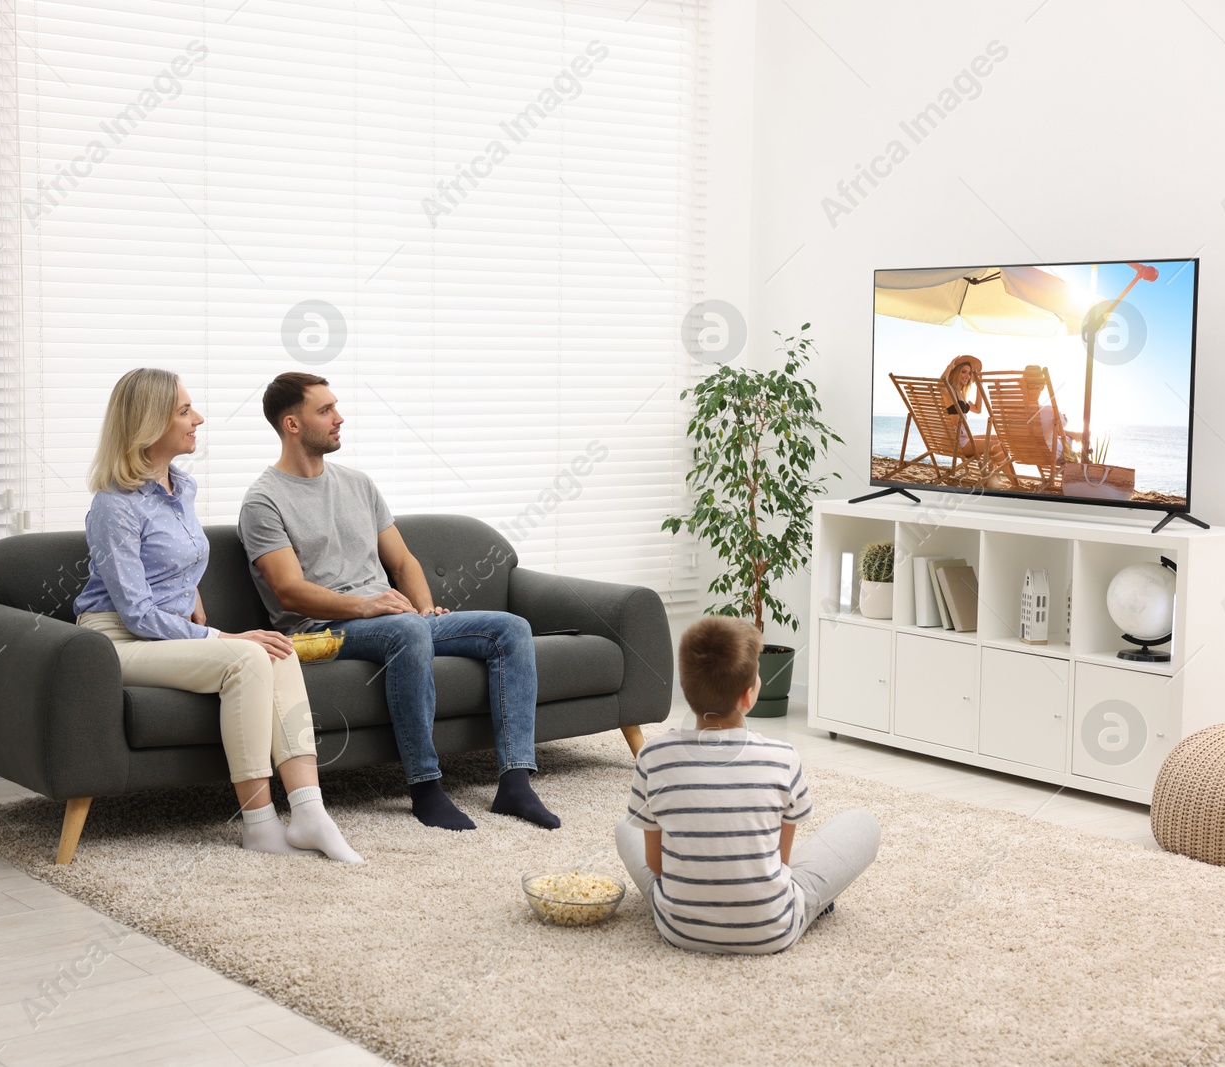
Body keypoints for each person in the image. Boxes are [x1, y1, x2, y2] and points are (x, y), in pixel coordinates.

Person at [238, 371, 558, 833]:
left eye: (335, 407)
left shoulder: (358, 484)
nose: (339, 417)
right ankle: (425, 788)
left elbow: (404, 561)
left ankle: (515, 783)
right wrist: (369, 607)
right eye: (325, 410)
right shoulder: (263, 500)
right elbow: (289, 590)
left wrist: (424, 609)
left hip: (390, 620)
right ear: (292, 424)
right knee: (405, 630)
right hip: (317, 632)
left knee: (510, 628)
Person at [73, 368, 361, 863]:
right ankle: (258, 824)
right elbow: (136, 611)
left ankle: (309, 811)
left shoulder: (180, 487)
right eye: (185, 411)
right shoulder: (114, 506)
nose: (198, 419)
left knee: (277, 647)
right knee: (249, 655)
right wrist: (217, 634)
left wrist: (195, 601)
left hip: (164, 636)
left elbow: (177, 568)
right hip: (114, 642)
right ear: (149, 423)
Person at [614, 616, 880, 954]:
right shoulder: (783, 757)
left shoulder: (653, 755)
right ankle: (805, 905)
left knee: (626, 825)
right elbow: (782, 863)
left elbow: (656, 866)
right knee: (863, 824)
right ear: (749, 695)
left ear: (684, 686)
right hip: (771, 929)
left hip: (679, 928)